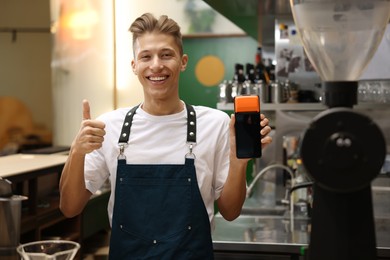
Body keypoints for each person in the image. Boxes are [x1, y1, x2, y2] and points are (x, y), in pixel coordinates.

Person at [59, 13, 272, 259]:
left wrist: (239, 162)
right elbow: (69, 207)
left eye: (166, 54)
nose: (156, 65)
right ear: (134, 65)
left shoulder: (215, 124)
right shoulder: (110, 126)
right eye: (146, 56)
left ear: (182, 61)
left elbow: (231, 211)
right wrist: (77, 150)